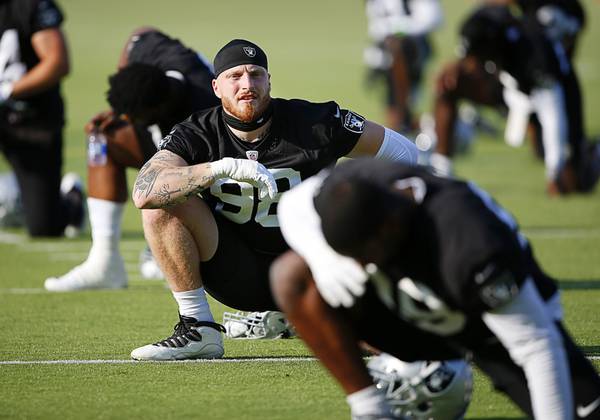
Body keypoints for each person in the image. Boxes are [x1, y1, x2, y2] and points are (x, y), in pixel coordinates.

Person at [129, 38, 419, 361]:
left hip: (312, 268)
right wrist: (218, 169)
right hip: (233, 269)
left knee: (379, 340)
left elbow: (405, 154)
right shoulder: (197, 131)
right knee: (161, 204)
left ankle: (343, 313)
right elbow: (144, 191)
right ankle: (199, 327)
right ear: (216, 86)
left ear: (269, 80)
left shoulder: (316, 122)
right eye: (234, 76)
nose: (246, 85)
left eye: (255, 74)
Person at [270, 158, 600, 419]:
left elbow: (537, 346)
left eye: (362, 256)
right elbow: (294, 205)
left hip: (489, 328)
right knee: (293, 277)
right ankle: (370, 409)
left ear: (390, 231)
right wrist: (324, 256)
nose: (359, 266)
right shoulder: (358, 184)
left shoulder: (467, 242)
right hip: (415, 309)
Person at [44, 28, 219, 292]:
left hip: (205, 162)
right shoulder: (151, 52)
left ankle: (176, 240)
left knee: (180, 179)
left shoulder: (204, 108)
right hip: (164, 131)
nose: (126, 120)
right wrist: (120, 107)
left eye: (132, 116)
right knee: (102, 138)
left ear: (156, 110)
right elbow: (140, 34)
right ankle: (105, 263)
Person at [425, 4, 599, 196]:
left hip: (549, 92)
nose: (472, 63)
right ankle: (441, 167)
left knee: (572, 181)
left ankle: (591, 153)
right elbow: (468, 60)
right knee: (448, 84)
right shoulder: (483, 24)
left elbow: (552, 111)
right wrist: (456, 69)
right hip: (508, 86)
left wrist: (554, 170)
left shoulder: (531, 55)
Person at [0, 0, 84, 237]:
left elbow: (57, 62)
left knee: (44, 227)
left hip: (31, 119)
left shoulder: (29, 5)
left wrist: (6, 91)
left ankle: (71, 199)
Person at [363, 0, 443, 133]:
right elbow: (375, 26)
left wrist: (395, 29)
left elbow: (432, 19)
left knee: (404, 105)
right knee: (393, 106)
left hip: (412, 49)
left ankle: (412, 124)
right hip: (384, 50)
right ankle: (404, 126)